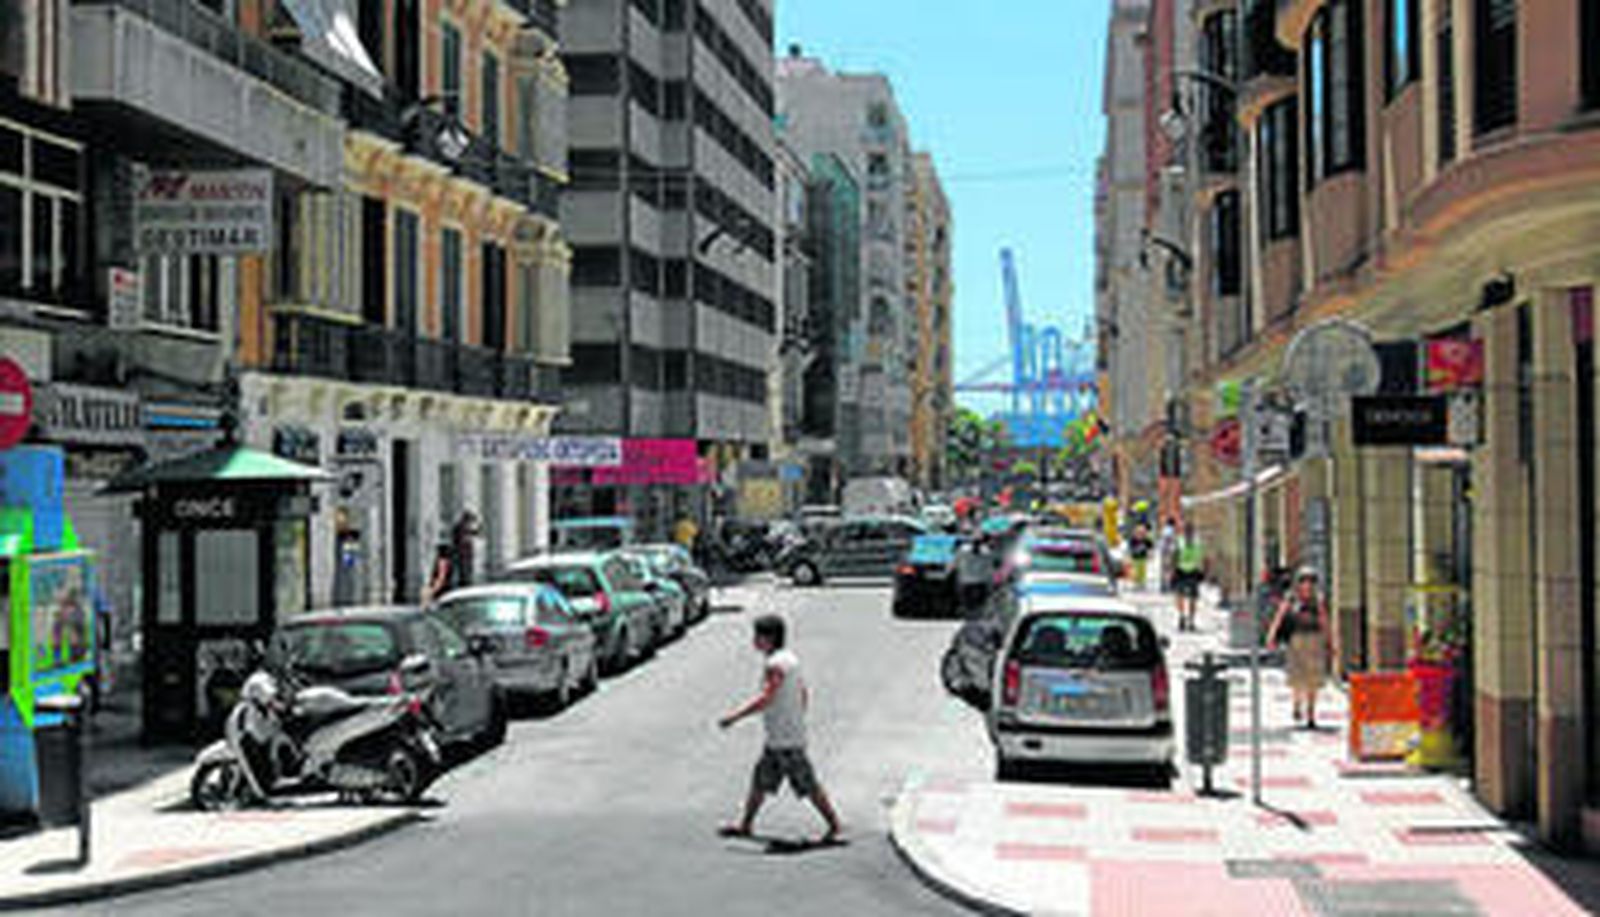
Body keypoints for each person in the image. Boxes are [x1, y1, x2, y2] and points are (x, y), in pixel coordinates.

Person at [717, 615, 843, 844]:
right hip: (781, 737)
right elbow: (803, 693)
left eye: (757, 636)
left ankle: (834, 824)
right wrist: (795, 716)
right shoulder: (791, 660)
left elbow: (767, 697)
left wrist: (734, 717)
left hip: (786, 741)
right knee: (759, 781)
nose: (754, 641)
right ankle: (746, 825)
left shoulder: (775, 665)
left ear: (769, 638)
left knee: (808, 784)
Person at [1266, 567, 1340, 729]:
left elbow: (1324, 621)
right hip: (1296, 641)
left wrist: (1331, 643)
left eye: (1311, 582)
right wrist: (1271, 637)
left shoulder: (1318, 601)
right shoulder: (1291, 599)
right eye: (1304, 581)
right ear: (1298, 584)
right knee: (1298, 678)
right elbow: (1279, 617)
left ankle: (1311, 714)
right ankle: (1297, 704)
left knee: (1313, 680)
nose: (1307, 585)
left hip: (1314, 642)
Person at [1173, 522, 1207, 632]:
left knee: (1182, 596)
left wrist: (1172, 569)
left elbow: (1175, 556)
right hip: (1191, 571)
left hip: (1184, 571)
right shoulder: (1196, 542)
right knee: (1191, 597)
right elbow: (1203, 557)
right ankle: (1189, 619)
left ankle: (1183, 617)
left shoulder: (1180, 542)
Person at [450, 511, 481, 588]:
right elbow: (457, 540)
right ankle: (464, 584)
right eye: (470, 520)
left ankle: (466, 582)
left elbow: (476, 533)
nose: (470, 522)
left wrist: (478, 525)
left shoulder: (465, 527)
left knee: (467, 570)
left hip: (466, 554)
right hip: (461, 554)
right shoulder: (459, 527)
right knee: (463, 571)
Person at [1127, 521, 1153, 592]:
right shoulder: (1133, 539)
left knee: (1143, 571)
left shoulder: (1146, 540)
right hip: (1135, 558)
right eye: (1139, 532)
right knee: (1136, 571)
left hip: (1143, 557)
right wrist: (1129, 556)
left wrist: (1150, 554)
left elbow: (1150, 547)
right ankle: (1136, 583)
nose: (1140, 534)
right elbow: (1130, 548)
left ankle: (1142, 583)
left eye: (1142, 533)